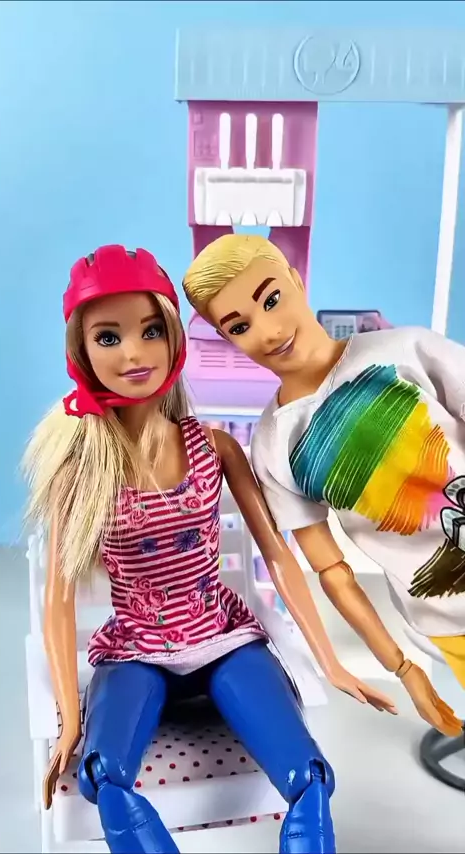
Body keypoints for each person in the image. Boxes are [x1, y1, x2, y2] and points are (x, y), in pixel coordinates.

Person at [23, 244, 392, 854]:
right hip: (135, 648)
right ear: (82, 353)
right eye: (109, 337)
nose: (134, 353)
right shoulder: (81, 467)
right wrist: (69, 716)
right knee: (104, 775)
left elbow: (277, 554)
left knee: (309, 777)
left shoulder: (214, 447)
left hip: (222, 636)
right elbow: (58, 600)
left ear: (173, 336)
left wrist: (330, 662)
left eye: (150, 331)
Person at [182, 233, 465, 733]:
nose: (269, 331)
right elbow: (332, 571)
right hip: (448, 615)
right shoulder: (275, 443)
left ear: (296, 280)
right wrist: (403, 668)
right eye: (239, 326)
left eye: (272, 299)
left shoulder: (405, 350)